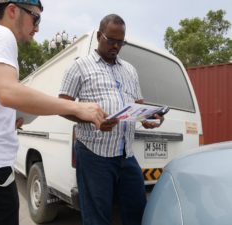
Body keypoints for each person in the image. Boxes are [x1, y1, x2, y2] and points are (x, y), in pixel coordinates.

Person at [0, 1, 106, 225]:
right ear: (13, 10)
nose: (38, 28)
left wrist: (2, 121)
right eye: (36, 18)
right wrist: (77, 106)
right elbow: (8, 92)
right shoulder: (1, 35)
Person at [59, 14, 164, 225]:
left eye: (121, 42)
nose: (116, 46)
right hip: (94, 154)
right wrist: (92, 119)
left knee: (137, 210)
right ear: (99, 36)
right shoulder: (80, 66)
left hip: (126, 154)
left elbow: (138, 103)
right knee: (97, 216)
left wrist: (148, 116)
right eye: (111, 40)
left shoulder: (130, 70)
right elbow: (63, 106)